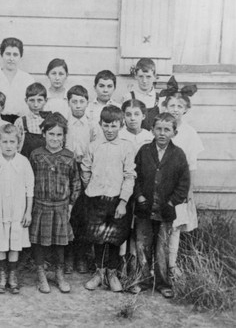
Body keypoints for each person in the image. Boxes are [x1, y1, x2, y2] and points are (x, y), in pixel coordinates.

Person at [75, 105, 136, 293]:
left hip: (117, 200)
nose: (110, 130)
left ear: (121, 125)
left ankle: (112, 273)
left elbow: (129, 176)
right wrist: (91, 189)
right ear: (100, 124)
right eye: (106, 125)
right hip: (95, 199)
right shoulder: (94, 146)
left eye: (114, 126)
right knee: (98, 237)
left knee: (114, 238)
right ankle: (99, 273)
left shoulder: (126, 147)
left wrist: (123, 201)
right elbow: (85, 170)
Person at [134, 113, 190, 298]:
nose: (162, 133)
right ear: (152, 130)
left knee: (162, 249)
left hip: (166, 210)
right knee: (142, 244)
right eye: (158, 129)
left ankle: (163, 282)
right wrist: (140, 196)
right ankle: (142, 280)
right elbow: (135, 177)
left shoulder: (178, 154)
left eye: (167, 129)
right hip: (145, 208)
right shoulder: (144, 151)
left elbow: (183, 183)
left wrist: (171, 202)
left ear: (174, 132)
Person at [29, 113, 81, 294]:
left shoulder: (69, 156)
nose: (55, 138)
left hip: (61, 206)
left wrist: (71, 205)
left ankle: (59, 273)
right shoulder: (35, 155)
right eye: (51, 134)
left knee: (60, 242)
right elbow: (29, 181)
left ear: (64, 136)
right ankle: (41, 273)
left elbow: (76, 182)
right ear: (43, 134)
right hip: (40, 205)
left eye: (59, 135)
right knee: (39, 242)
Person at [0, 124, 34, 294]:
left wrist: (28, 212)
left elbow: (30, 189)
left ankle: (12, 276)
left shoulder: (23, 162)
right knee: (0, 244)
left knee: (14, 243)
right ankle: (1, 276)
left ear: (18, 143)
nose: (8, 145)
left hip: (17, 212)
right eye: (4, 141)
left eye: (12, 141)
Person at [162, 76, 202, 277]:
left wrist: (189, 190)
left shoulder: (189, 133)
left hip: (179, 185)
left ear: (186, 109)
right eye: (172, 105)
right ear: (165, 106)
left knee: (175, 226)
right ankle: (156, 264)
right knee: (159, 224)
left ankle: (171, 264)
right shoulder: (160, 129)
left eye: (180, 106)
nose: (175, 109)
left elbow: (192, 164)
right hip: (160, 184)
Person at [118, 99, 154, 278]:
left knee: (139, 227)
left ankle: (139, 266)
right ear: (123, 116)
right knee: (123, 225)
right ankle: (121, 266)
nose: (132, 119)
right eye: (128, 114)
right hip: (123, 186)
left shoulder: (148, 137)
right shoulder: (119, 135)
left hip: (143, 188)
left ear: (144, 116)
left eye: (136, 114)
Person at [65, 85, 97, 275]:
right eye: (74, 101)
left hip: (85, 169)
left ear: (87, 103)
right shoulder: (64, 123)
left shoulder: (92, 125)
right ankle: (68, 255)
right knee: (69, 212)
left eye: (81, 101)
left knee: (84, 214)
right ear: (68, 103)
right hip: (68, 169)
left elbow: (95, 148)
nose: (78, 105)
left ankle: (82, 255)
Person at [0, 37, 35, 123]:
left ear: (20, 57)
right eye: (8, 54)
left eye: (15, 55)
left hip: (21, 122)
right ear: (1, 55)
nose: (11, 58)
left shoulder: (28, 79)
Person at [14, 83, 51, 158]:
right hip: (26, 163)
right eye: (32, 100)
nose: (36, 105)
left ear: (46, 100)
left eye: (39, 100)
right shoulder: (20, 121)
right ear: (26, 101)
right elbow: (15, 146)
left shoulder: (51, 120)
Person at [122, 58, 161, 130]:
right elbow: (123, 123)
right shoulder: (128, 97)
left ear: (154, 77)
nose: (144, 81)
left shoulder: (160, 99)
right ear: (136, 76)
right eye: (141, 76)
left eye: (148, 77)